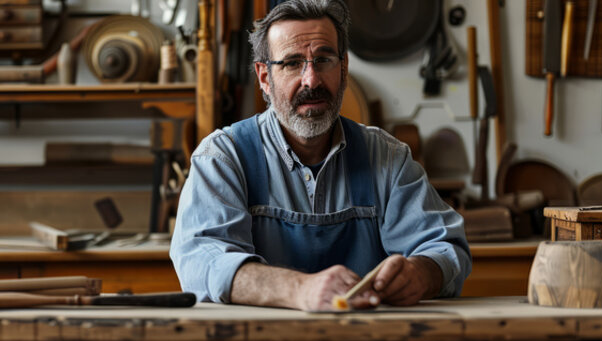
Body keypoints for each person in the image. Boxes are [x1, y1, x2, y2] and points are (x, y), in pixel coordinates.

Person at [169, 0, 471, 311]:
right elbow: (202, 262)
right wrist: (299, 289)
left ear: (344, 68)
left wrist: (423, 273)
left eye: (324, 59)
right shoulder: (223, 157)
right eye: (292, 63)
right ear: (263, 77)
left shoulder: (387, 157)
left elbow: (445, 247)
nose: (311, 80)